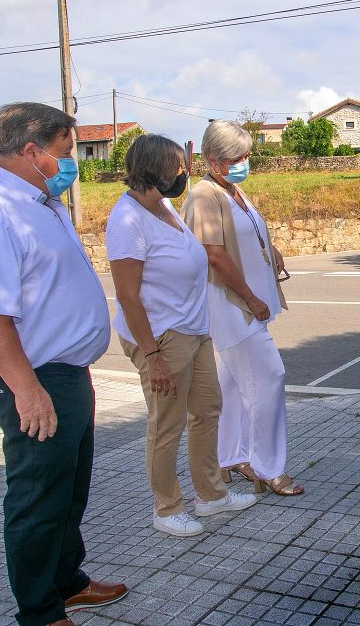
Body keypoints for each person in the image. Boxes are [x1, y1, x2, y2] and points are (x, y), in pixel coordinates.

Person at [0, 103, 127, 626]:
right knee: (37, 500)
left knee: (69, 492)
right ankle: (40, 610)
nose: (70, 163)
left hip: (66, 375)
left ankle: (66, 581)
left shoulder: (39, 202)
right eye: (66, 152)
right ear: (32, 151)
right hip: (35, 379)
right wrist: (28, 390)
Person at [106, 134, 257, 537]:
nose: (183, 173)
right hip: (161, 337)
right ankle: (167, 507)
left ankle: (211, 495)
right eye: (177, 166)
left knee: (207, 410)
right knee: (167, 422)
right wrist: (152, 354)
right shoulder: (127, 220)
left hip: (194, 329)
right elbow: (128, 295)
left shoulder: (164, 207)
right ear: (154, 169)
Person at [181, 120, 303, 496]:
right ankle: (268, 467)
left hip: (245, 304)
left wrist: (272, 249)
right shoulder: (204, 196)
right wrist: (250, 297)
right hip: (232, 306)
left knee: (234, 384)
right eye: (237, 156)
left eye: (246, 155)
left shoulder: (231, 189)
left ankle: (229, 456)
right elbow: (213, 255)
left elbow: (246, 233)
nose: (245, 162)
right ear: (213, 159)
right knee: (269, 377)